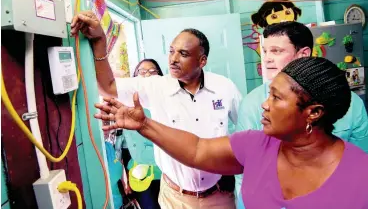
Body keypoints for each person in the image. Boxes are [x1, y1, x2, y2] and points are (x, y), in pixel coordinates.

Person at [95, 57, 368, 209]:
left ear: (314, 112)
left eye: (276, 97)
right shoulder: (258, 145)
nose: (264, 103)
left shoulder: (359, 175)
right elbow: (197, 150)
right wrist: (144, 125)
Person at [70, 11, 242, 209]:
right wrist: (100, 40)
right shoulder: (155, 86)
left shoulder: (225, 88)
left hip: (219, 196)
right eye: (171, 51)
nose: (173, 59)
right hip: (174, 198)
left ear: (202, 61)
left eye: (183, 54)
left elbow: (249, 130)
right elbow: (108, 86)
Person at [234, 21, 368, 197]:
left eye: (276, 51)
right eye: (265, 51)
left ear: (303, 54)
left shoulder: (352, 104)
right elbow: (245, 173)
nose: (266, 58)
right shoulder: (252, 104)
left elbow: (360, 164)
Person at [118, 59, 164, 209]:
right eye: (142, 72)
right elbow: (124, 147)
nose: (147, 75)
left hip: (166, 172)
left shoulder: (166, 105)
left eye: (152, 71)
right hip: (139, 175)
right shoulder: (126, 106)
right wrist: (125, 178)